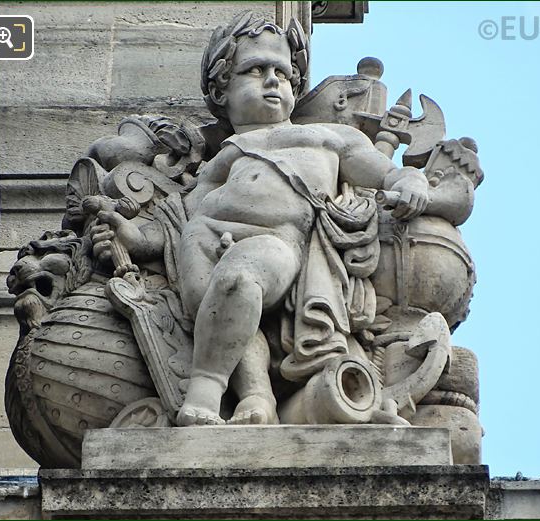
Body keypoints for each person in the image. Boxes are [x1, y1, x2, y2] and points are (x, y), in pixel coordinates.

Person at [91, 12, 429, 427]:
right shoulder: (228, 152)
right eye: (255, 70)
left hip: (278, 239)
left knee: (238, 279)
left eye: (282, 74)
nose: (273, 81)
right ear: (222, 90)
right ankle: (255, 397)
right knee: (228, 303)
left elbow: (387, 173)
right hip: (203, 238)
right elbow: (182, 212)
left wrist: (410, 179)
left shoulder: (329, 137)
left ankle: (204, 392)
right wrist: (136, 239)